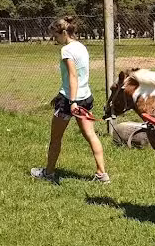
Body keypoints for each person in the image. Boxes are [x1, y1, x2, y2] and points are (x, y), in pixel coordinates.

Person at [30, 17, 110, 184]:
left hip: (69, 101)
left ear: (64, 33)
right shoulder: (81, 47)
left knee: (55, 138)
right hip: (86, 98)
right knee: (91, 135)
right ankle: (102, 174)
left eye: (56, 36)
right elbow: (79, 76)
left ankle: (49, 173)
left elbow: (73, 76)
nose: (55, 40)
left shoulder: (66, 50)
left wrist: (72, 101)